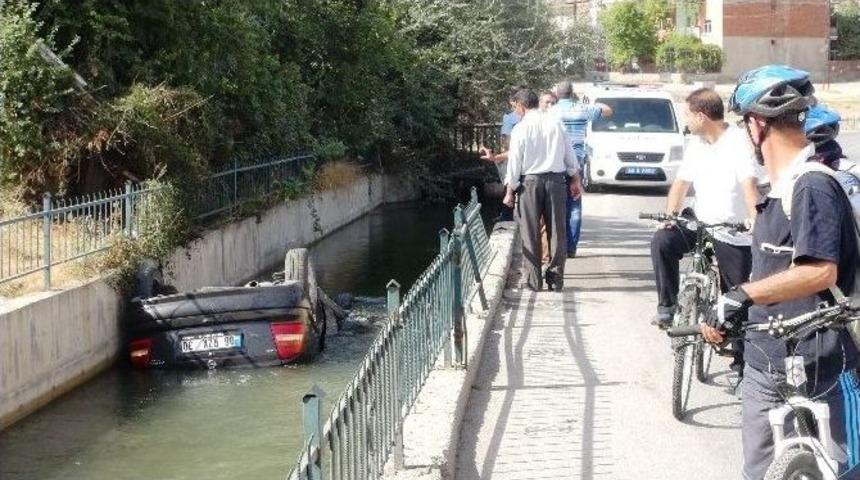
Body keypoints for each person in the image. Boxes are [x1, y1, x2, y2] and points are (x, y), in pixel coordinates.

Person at [702, 65, 860, 479]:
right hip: (765, 360)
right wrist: (731, 311)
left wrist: (744, 295)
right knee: (759, 472)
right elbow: (772, 272)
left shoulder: (813, 185)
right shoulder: (779, 191)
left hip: (822, 362)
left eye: (743, 124)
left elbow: (820, 272)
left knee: (844, 469)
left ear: (756, 125)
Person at [650, 86, 759, 364]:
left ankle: (740, 362)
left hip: (731, 228)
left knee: (737, 297)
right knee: (662, 241)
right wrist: (670, 215)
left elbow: (749, 185)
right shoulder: (696, 145)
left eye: (687, 114)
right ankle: (668, 306)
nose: (685, 120)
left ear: (701, 116)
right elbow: (681, 183)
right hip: (699, 221)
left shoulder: (738, 143)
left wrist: (753, 219)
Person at [503, 88, 582, 291]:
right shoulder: (556, 124)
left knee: (530, 231)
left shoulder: (521, 128)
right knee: (557, 231)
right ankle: (555, 279)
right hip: (556, 181)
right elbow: (569, 154)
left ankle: (533, 280)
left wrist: (510, 190)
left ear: (520, 106)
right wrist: (574, 178)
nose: (516, 112)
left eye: (515, 108)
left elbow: (515, 162)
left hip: (530, 182)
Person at [551, 81, 612, 258]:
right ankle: (571, 247)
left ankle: (556, 245)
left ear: (557, 94)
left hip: (557, 161)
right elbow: (607, 110)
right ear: (572, 93)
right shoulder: (583, 109)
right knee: (574, 204)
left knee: (555, 203)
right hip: (577, 159)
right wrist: (590, 102)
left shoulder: (551, 112)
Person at [480, 87, 523, 221]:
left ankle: (506, 215)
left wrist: (502, 156)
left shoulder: (509, 118)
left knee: (509, 183)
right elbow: (506, 139)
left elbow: (506, 139)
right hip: (520, 155)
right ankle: (508, 214)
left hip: (513, 155)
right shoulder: (516, 117)